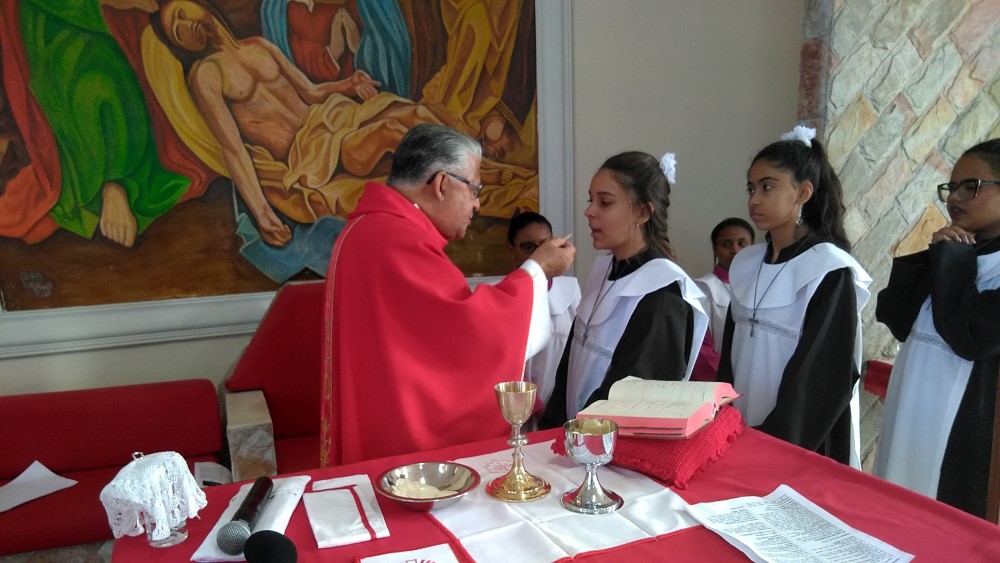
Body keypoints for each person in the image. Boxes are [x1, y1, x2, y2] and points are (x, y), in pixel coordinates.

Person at [319, 124, 574, 465]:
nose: (477, 204)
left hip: (378, 416)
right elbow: (468, 334)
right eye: (474, 189)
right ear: (441, 184)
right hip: (400, 450)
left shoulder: (369, 228)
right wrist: (537, 270)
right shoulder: (397, 240)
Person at [718, 126, 872, 467]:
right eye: (751, 188)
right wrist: (721, 419)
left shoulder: (828, 269)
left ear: (803, 192)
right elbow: (729, 355)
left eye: (767, 186)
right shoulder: (746, 263)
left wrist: (770, 443)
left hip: (796, 441)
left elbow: (822, 378)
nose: (754, 199)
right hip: (736, 430)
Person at [874, 139, 1000, 518]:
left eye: (971, 186)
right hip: (910, 405)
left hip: (963, 426)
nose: (955, 197)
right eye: (952, 186)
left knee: (937, 522)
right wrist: (940, 254)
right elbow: (896, 318)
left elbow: (971, 337)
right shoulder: (958, 249)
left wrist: (953, 262)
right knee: (892, 507)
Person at [541, 151, 708, 426]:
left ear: (643, 212)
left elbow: (631, 398)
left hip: (606, 442)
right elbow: (569, 366)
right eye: (590, 200)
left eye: (605, 202)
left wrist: (576, 436)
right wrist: (554, 428)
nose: (589, 211)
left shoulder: (662, 294)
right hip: (572, 437)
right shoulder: (603, 271)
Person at [506, 211, 581, 408]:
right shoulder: (500, 297)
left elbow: (578, 354)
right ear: (511, 249)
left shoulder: (571, 291)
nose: (540, 255)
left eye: (545, 246)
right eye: (528, 247)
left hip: (562, 402)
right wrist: (535, 405)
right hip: (519, 405)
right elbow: (502, 363)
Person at [691, 218, 755, 380]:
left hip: (757, 376)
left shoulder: (763, 287)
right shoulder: (702, 288)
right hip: (721, 378)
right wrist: (728, 378)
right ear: (715, 249)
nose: (735, 250)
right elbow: (701, 348)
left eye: (742, 244)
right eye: (726, 244)